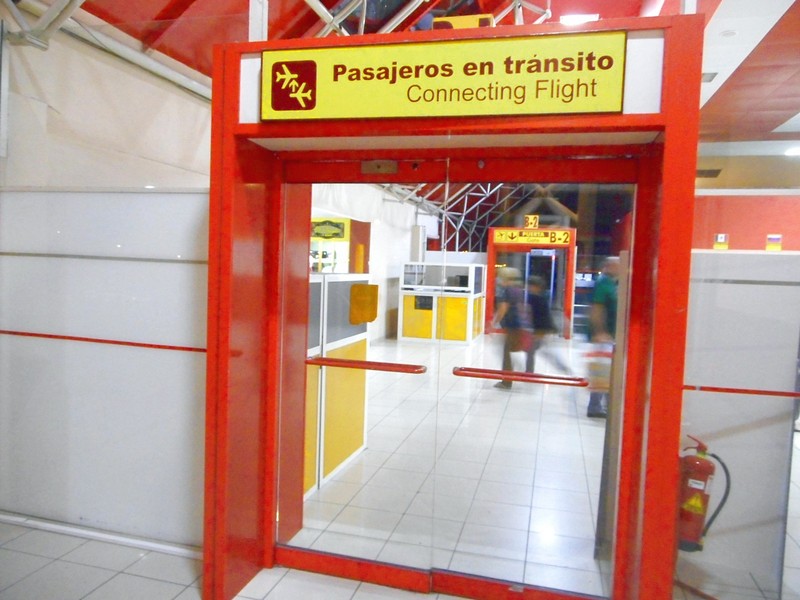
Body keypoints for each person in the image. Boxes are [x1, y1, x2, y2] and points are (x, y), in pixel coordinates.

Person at [587, 256, 620, 418]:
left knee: (608, 372)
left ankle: (607, 405)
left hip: (611, 335)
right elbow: (597, 308)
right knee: (603, 372)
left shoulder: (613, 283)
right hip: (605, 336)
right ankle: (595, 406)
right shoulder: (603, 283)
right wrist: (599, 331)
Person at [492, 267, 528, 389]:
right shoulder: (518, 290)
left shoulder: (505, 291)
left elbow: (503, 308)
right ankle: (517, 372)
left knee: (506, 353)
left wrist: (493, 323)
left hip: (511, 325)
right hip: (518, 324)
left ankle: (507, 381)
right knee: (511, 350)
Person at [525, 276, 557, 373]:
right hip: (539, 328)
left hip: (539, 329)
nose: (529, 287)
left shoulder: (535, 299)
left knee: (533, 350)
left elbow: (540, 315)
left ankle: (529, 372)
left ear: (536, 287)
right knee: (532, 350)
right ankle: (529, 371)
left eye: (531, 285)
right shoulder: (541, 298)